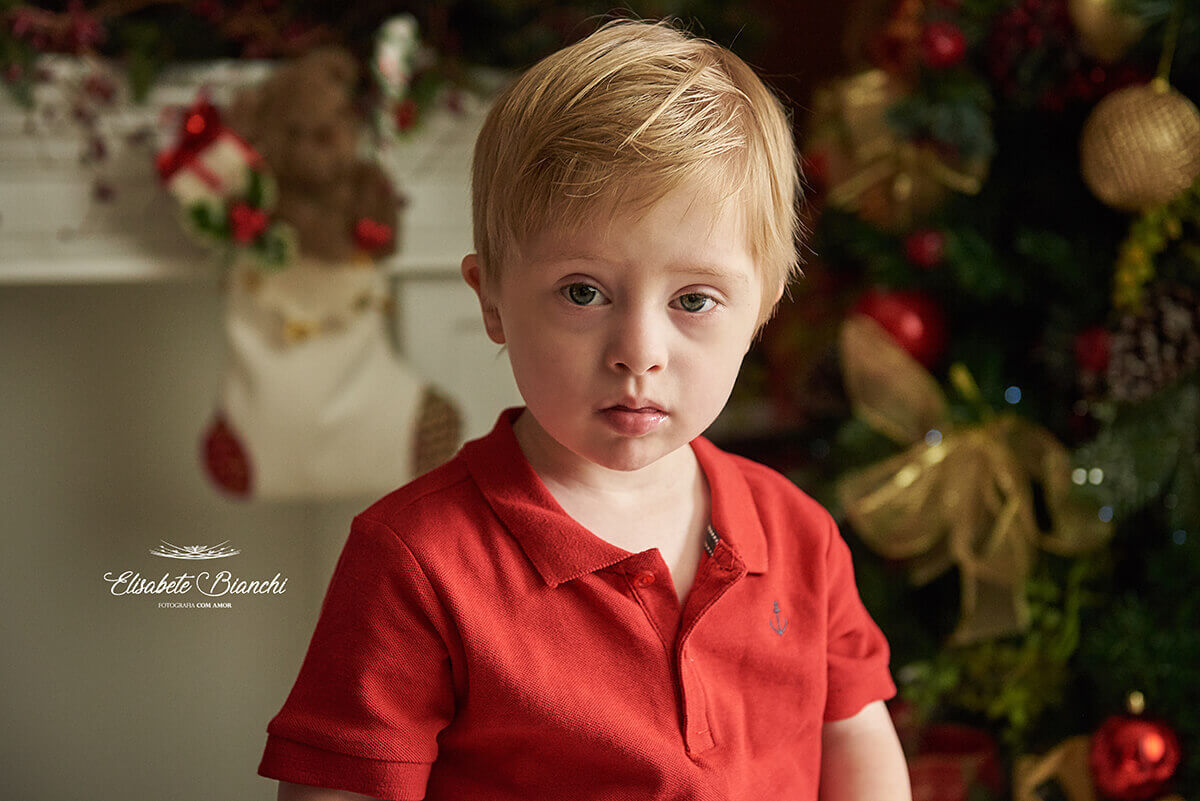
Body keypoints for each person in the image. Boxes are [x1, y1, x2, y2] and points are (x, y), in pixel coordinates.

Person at [258, 17, 912, 801]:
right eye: (583, 291)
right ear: (492, 299)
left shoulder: (800, 538)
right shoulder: (416, 559)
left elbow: (858, 749)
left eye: (694, 299)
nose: (638, 350)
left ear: (763, 310)